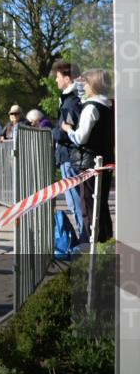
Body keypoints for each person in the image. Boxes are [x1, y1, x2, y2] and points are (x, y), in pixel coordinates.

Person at [63, 69, 115, 243]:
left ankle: (94, 248)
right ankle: (106, 243)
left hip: (89, 163)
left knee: (90, 206)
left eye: (85, 83)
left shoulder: (91, 107)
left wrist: (68, 130)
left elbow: (80, 138)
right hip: (105, 160)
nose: (82, 87)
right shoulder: (109, 105)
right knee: (102, 206)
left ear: (93, 84)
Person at [51, 60, 87, 241]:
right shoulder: (71, 100)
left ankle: (84, 239)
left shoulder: (70, 102)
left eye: (58, 77)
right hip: (69, 155)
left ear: (67, 78)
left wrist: (53, 132)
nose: (56, 81)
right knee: (76, 201)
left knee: (75, 202)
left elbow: (67, 131)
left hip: (69, 156)